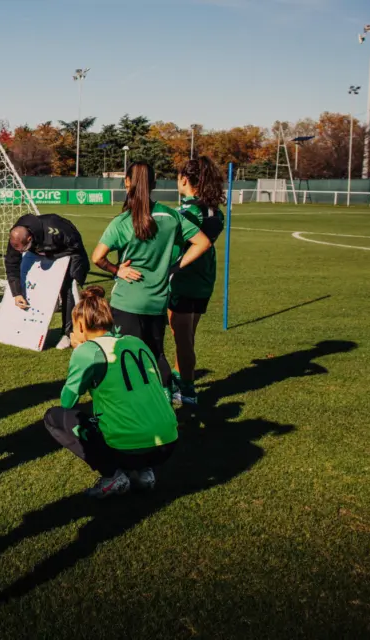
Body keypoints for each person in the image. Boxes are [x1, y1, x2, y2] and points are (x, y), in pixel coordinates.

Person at [43, 285, 178, 497]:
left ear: (80, 325)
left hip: (127, 448)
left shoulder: (88, 351)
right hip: (168, 443)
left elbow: (67, 401)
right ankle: (144, 472)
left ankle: (112, 475)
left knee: (54, 417)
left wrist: (79, 349)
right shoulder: (136, 342)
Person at [90, 162, 212, 387]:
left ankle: (134, 404)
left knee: (124, 358)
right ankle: (164, 398)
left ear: (127, 182)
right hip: (157, 301)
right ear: (154, 184)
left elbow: (97, 257)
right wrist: (175, 266)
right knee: (155, 355)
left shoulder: (123, 221)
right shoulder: (171, 216)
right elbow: (203, 243)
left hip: (127, 301)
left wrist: (117, 270)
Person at [169, 156, 226, 406]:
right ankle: (178, 378)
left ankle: (188, 390)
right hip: (204, 278)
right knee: (186, 336)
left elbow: (179, 243)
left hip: (184, 279)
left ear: (185, 179)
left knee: (182, 339)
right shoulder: (214, 211)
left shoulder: (188, 212)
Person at [5, 212, 89, 349]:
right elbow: (11, 264)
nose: (21, 252)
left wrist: (52, 256)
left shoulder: (57, 230)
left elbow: (76, 247)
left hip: (68, 251)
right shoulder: (16, 237)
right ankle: (27, 327)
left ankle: (68, 333)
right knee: (32, 281)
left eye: (24, 249)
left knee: (67, 287)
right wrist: (17, 293)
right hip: (43, 249)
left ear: (30, 238)